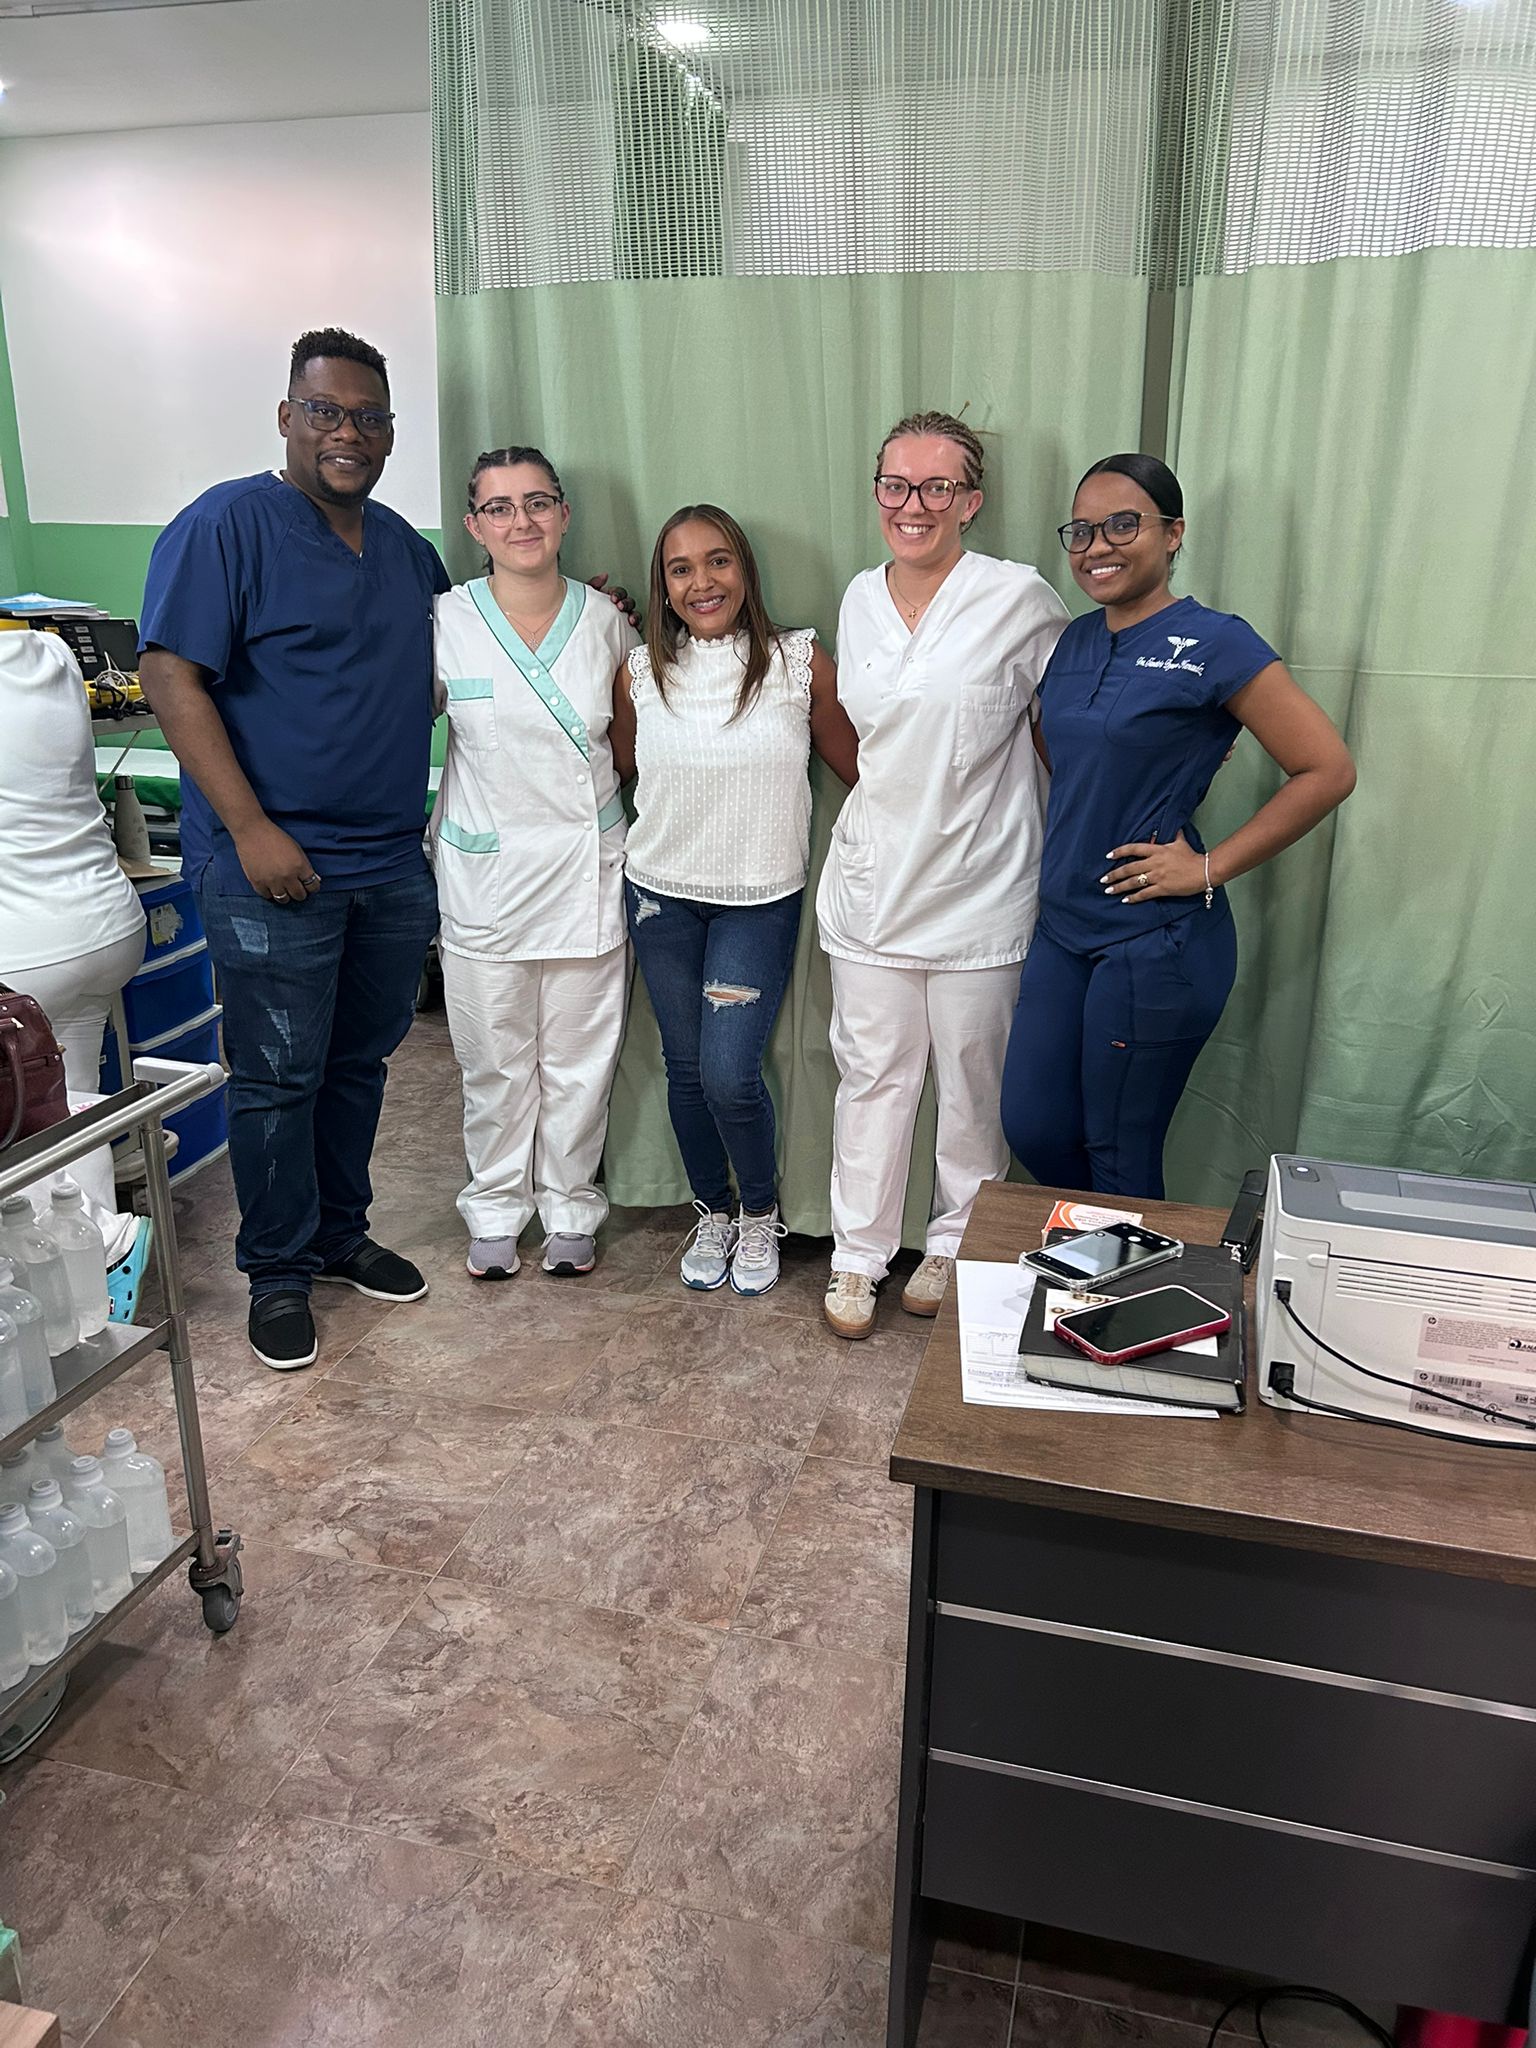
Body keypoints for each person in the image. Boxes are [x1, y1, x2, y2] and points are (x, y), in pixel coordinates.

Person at [139, 328, 448, 1372]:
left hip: (388, 863)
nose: (346, 433)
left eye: (368, 416)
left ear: (391, 431)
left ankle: (336, 1235)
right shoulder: (226, 525)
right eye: (325, 411)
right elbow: (170, 675)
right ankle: (275, 1269)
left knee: (359, 1061)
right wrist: (251, 828)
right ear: (286, 417)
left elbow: (457, 663)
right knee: (276, 1074)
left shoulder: (404, 548)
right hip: (273, 864)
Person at [1000, 453, 1356, 1198]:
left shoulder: (1218, 642)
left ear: (1173, 534)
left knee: (1118, 1152)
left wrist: (1205, 867)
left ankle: (1125, 1271)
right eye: (1081, 531)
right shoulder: (1074, 642)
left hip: (1154, 941)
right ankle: (1111, 1250)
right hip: (1063, 929)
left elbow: (1327, 770)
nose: (1096, 547)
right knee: (1033, 1126)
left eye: (1122, 525)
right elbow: (1065, 748)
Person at [817, 410, 1068, 1341]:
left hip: (982, 886)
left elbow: (1068, 724)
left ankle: (954, 1245)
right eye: (896, 484)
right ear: (877, 491)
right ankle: (856, 1256)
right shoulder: (859, 598)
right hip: (874, 887)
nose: (912, 505)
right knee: (872, 1078)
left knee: (973, 1083)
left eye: (936, 487)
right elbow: (866, 740)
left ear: (971, 501)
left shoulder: (1020, 598)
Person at [609, 504, 859, 1298]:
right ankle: (712, 1211)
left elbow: (863, 771)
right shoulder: (639, 672)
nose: (702, 581)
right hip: (659, 899)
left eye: (717, 560)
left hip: (758, 899)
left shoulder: (797, 661)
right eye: (680, 568)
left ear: (744, 568)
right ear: (663, 586)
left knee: (727, 1072)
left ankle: (758, 1212)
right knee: (684, 1070)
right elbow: (617, 766)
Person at [431, 446, 637, 1282]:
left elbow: (631, 747)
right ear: (475, 526)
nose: (522, 521)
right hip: (485, 877)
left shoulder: (607, 622)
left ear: (564, 514)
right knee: (494, 1062)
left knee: (581, 1062)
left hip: (586, 869)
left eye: (538, 502)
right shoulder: (444, 621)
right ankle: (493, 1206)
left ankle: (570, 1206)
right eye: (500, 507)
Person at [0, 629, 152, 1311]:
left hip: (24, 950)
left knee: (20, 1125)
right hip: (105, 922)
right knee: (66, 1103)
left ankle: (103, 1240)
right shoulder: (52, 653)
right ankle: (94, 1276)